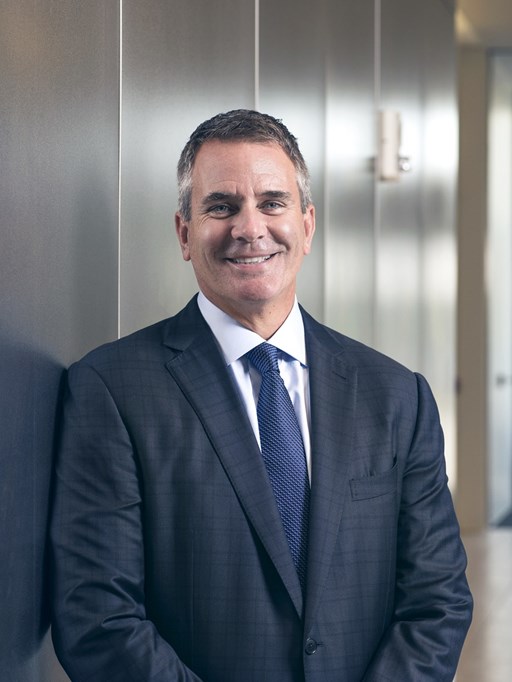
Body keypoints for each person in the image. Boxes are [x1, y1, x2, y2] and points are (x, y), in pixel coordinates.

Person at [51, 109, 472, 682]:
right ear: (183, 233)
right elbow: (97, 617)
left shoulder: (398, 396)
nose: (250, 228)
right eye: (221, 206)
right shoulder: (111, 390)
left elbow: (437, 599)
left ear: (307, 225)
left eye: (272, 202)